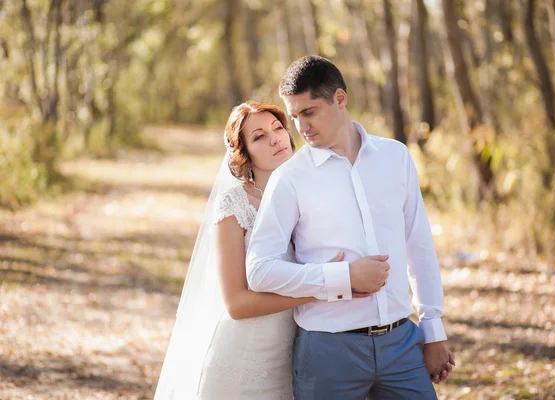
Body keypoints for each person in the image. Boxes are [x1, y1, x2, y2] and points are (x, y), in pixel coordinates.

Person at [246, 55, 454, 399]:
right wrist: (342, 278)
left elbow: (418, 245)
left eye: (309, 112)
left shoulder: (395, 156)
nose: (301, 127)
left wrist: (433, 330)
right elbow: (259, 270)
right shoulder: (290, 179)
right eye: (294, 116)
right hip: (327, 352)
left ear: (340, 99)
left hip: (403, 344)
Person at [155, 102, 317, 399]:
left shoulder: (308, 194)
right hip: (242, 360)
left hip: (290, 361)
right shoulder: (234, 204)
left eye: (278, 128)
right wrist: (320, 289)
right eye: (258, 136)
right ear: (244, 154)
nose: (275, 139)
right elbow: (236, 304)